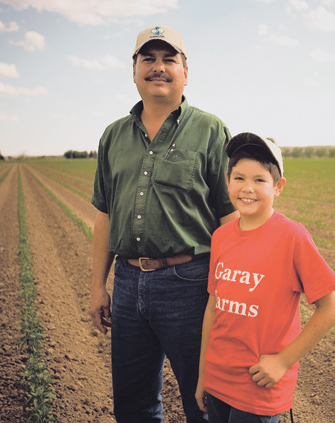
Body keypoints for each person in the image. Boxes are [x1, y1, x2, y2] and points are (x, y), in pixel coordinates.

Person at [90, 25, 238, 423]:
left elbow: (231, 217)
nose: (158, 67)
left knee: (204, 402)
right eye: (148, 59)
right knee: (134, 406)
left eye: (168, 59)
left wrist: (239, 291)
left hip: (190, 285)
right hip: (126, 284)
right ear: (134, 70)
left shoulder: (210, 130)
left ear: (185, 71)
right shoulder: (113, 136)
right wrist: (96, 287)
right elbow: (104, 214)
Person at [195, 132, 335, 422]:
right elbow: (213, 308)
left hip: (258, 386)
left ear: (279, 187)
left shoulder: (292, 236)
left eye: (259, 180)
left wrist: (283, 362)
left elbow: (330, 308)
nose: (247, 188)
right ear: (227, 181)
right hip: (217, 380)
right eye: (239, 178)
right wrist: (202, 376)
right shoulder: (221, 237)